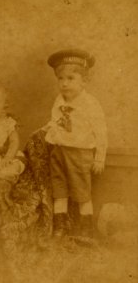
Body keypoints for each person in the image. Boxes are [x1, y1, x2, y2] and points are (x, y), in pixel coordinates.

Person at [43, 49, 108, 239]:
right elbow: (57, 123)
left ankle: (86, 228)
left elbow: (101, 131)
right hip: (59, 152)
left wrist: (99, 157)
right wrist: (48, 131)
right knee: (59, 190)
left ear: (84, 81)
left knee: (82, 191)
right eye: (61, 78)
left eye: (71, 78)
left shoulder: (90, 103)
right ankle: (60, 226)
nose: (64, 83)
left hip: (80, 154)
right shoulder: (59, 101)